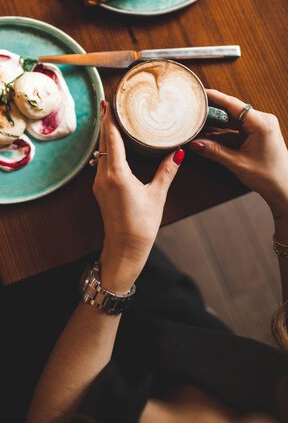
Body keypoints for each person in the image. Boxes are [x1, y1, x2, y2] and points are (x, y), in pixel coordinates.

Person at [27, 89, 288, 423]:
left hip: (40, 351)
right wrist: (282, 199)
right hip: (168, 315)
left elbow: (50, 417)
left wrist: (123, 260)